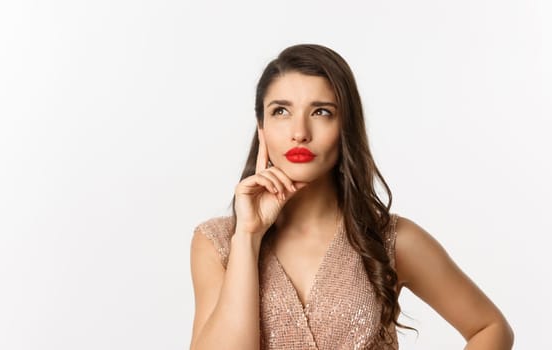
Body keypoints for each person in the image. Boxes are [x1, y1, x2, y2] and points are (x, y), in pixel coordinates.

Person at [188, 44, 513, 350]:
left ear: (346, 126)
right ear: (262, 127)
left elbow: (490, 327)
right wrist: (248, 235)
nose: (299, 131)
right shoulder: (217, 242)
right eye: (281, 111)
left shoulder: (392, 239)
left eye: (321, 112)